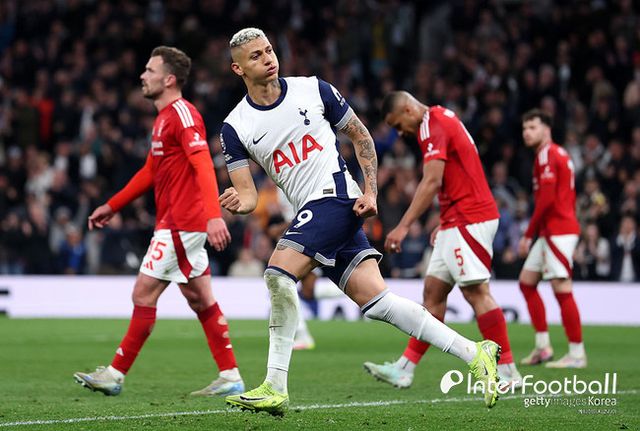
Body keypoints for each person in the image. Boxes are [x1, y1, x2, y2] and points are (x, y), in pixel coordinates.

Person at [219, 28, 500, 416]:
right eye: (256, 56)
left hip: (335, 197)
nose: (268, 58)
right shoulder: (235, 126)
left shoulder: (313, 89)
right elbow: (249, 195)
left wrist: (371, 192)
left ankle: (275, 386)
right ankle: (474, 351)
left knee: (278, 274)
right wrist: (240, 203)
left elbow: (361, 136)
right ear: (238, 69)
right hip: (313, 210)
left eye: (269, 50)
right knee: (379, 303)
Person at [73, 46, 245, 396]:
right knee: (200, 299)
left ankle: (114, 374)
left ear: (169, 79)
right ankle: (230, 376)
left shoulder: (182, 114)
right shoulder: (164, 118)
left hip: (182, 223)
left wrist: (214, 216)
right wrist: (112, 205)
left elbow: (203, 164)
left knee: (143, 293)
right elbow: (150, 171)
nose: (143, 76)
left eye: (150, 70)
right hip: (179, 221)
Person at [363, 91, 522, 390]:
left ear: (408, 109)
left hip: (470, 218)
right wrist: (445, 221)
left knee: (476, 293)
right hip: (456, 219)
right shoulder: (439, 119)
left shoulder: (431, 125)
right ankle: (404, 369)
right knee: (433, 294)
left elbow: (432, 180)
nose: (400, 133)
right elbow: (455, 176)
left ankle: (508, 371)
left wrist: (403, 226)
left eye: (398, 125)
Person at [517, 109, 586, 368]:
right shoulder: (557, 153)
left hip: (558, 231)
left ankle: (577, 354)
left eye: (532, 127)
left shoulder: (547, 153)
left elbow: (546, 200)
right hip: (552, 231)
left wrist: (528, 234)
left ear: (547, 130)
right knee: (527, 282)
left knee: (561, 288)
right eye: (525, 128)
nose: (527, 133)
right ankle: (543, 347)